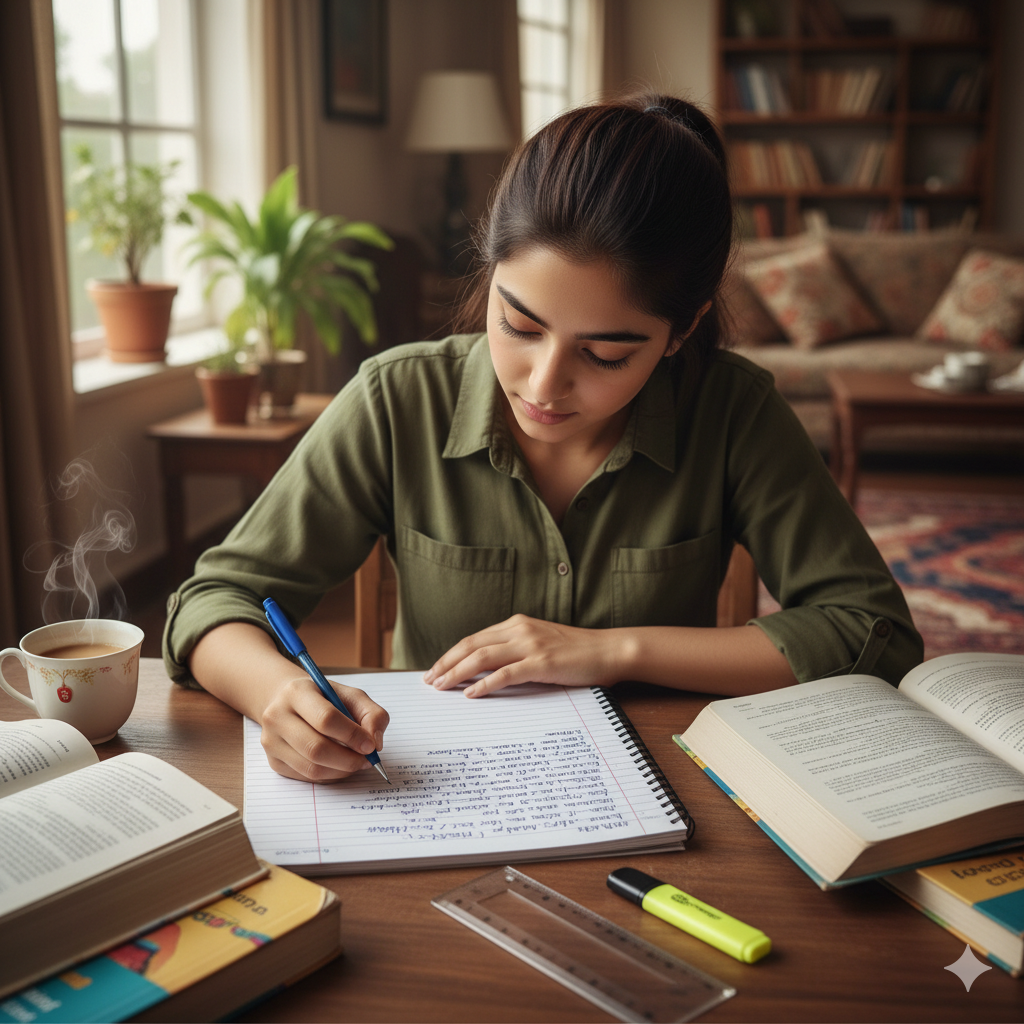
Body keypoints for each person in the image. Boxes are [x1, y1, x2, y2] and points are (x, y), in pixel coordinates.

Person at [163, 93, 923, 784]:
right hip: (431, 787)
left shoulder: (733, 412)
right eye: (519, 325)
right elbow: (214, 601)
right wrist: (277, 694)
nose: (543, 383)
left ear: (681, 329)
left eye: (606, 354)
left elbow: (874, 632)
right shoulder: (399, 399)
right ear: (490, 271)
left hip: (664, 790)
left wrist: (612, 650)